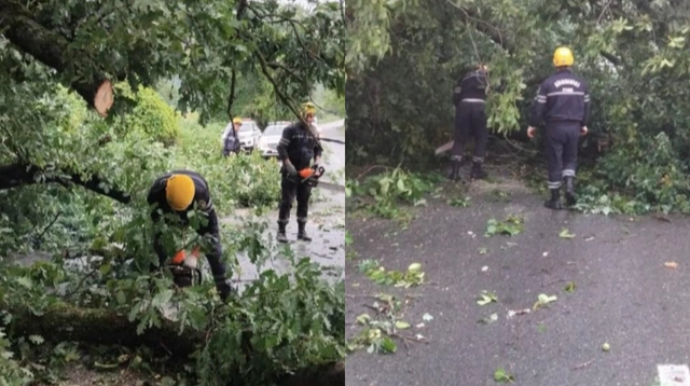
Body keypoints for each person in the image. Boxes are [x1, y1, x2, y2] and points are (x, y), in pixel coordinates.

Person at [146, 170, 233, 301]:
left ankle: (227, 298)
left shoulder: (201, 195)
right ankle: (152, 294)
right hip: (165, 213)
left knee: (214, 250)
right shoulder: (155, 194)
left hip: (194, 203)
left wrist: (194, 255)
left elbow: (210, 231)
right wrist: (176, 253)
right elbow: (160, 229)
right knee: (159, 250)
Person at [527, 46, 590, 210]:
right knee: (570, 158)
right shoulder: (581, 84)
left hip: (554, 127)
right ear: (571, 62)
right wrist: (583, 124)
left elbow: (539, 107)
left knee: (555, 160)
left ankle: (555, 200)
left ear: (555, 62)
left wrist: (533, 125)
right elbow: (586, 107)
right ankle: (569, 187)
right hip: (574, 127)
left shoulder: (548, 83)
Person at [275, 102, 322, 243]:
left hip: (306, 171)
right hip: (291, 171)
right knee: (287, 201)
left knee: (304, 201)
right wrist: (287, 164)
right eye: (308, 115)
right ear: (302, 115)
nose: (310, 118)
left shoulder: (313, 131)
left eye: (312, 116)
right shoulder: (290, 130)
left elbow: (318, 149)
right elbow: (281, 148)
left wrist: (316, 163)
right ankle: (281, 231)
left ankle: (301, 231)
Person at [450, 63, 490, 181]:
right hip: (480, 107)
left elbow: (456, 95)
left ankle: (455, 172)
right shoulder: (488, 79)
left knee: (459, 139)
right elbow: (494, 97)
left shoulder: (464, 77)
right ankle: (476, 171)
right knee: (481, 138)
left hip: (464, 106)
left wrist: (461, 108)